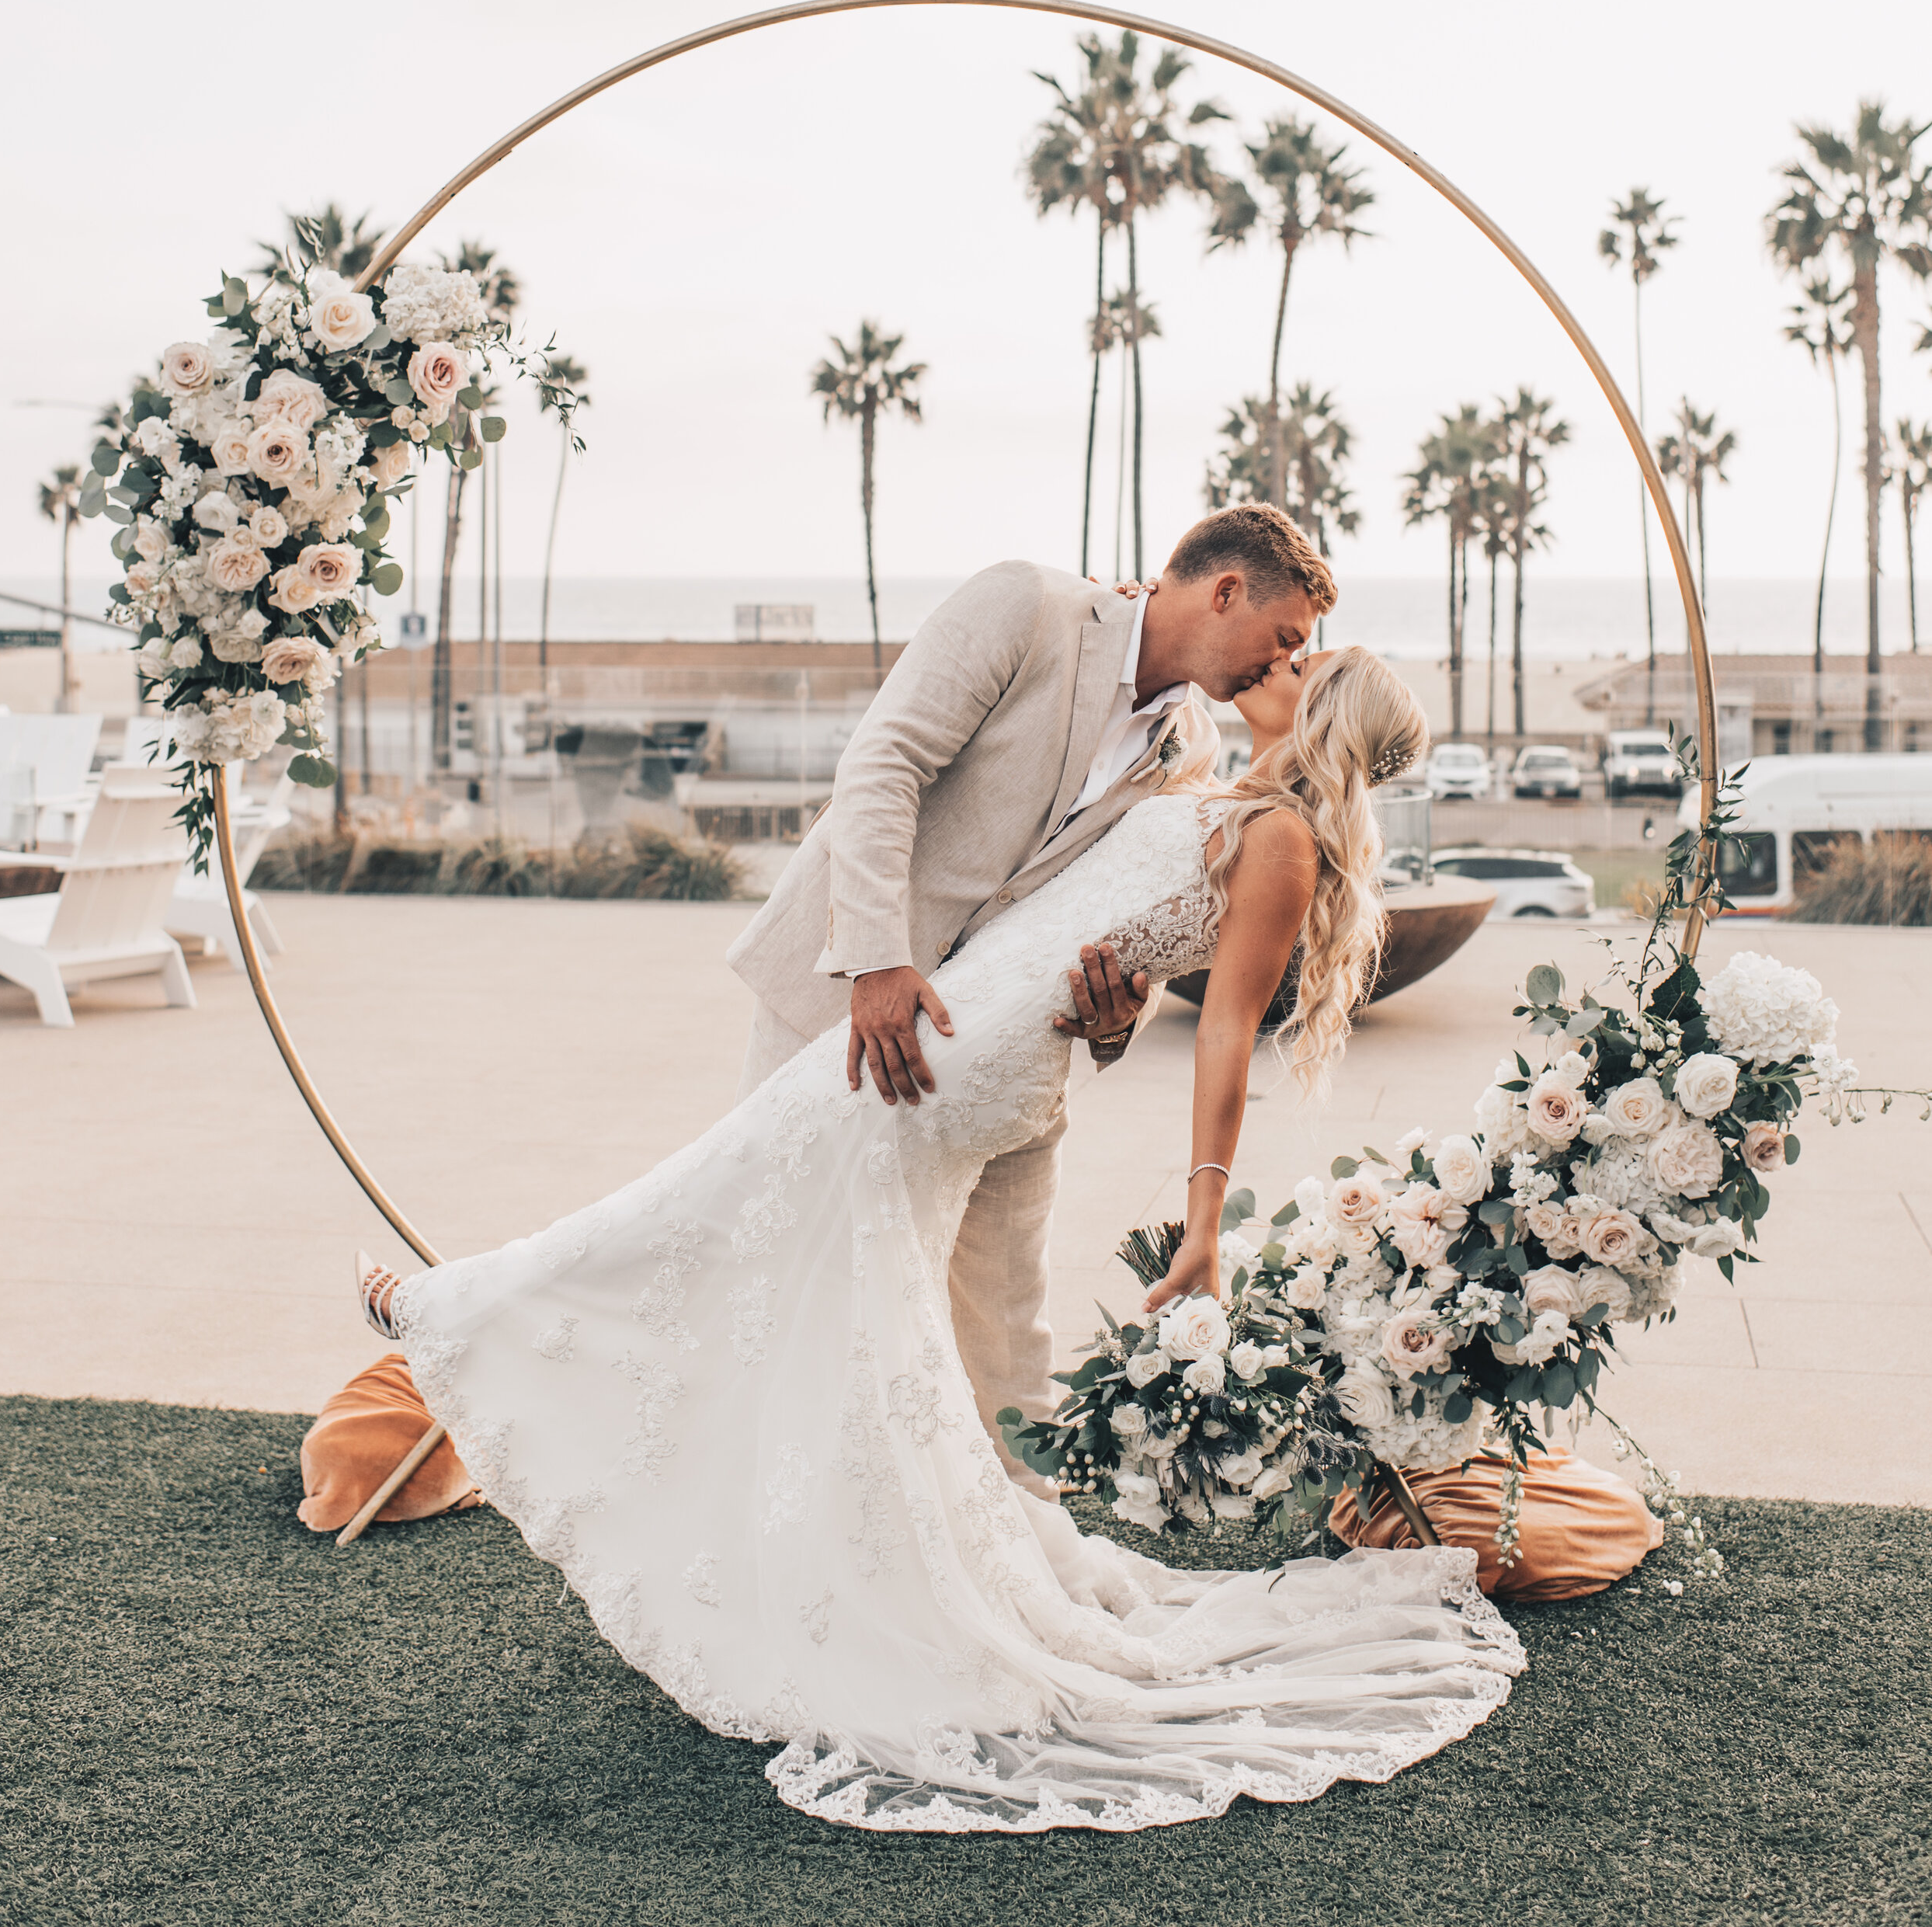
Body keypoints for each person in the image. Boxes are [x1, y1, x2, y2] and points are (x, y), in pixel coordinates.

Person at [358, 637, 1527, 1833]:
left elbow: (1228, 1034)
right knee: (810, 1259)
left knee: (729, 1184)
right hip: (964, 1019)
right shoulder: (1210, 775)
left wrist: (1205, 1222)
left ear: (1326, 706)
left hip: (966, 1059)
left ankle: (455, 1309)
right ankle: (837, 1562)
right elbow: (1085, 913)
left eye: (1305, 657)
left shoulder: (1280, 840)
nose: (1279, 658)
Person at [728, 505, 1330, 1480]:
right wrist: (877, 962)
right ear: (1225, 591)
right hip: (839, 1004)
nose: (1280, 664)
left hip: (1003, 1055)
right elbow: (884, 764)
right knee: (783, 1258)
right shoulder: (1029, 605)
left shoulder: (1190, 750)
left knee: (1006, 1320)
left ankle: (1025, 1539)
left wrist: (1114, 1015)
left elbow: (1096, 908)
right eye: (1285, 636)